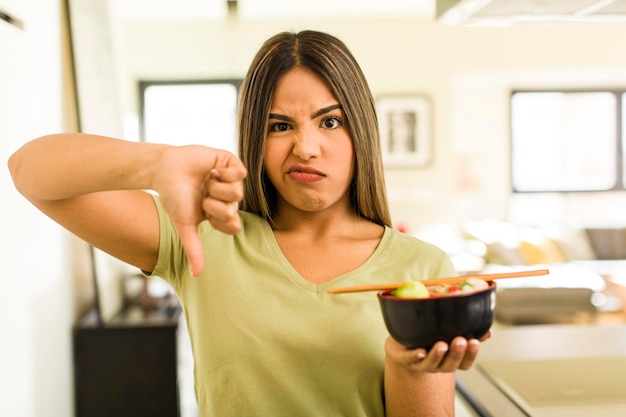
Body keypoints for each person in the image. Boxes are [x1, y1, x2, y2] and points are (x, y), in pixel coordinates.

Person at [8, 30, 488, 416]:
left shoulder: (425, 269)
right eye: (280, 126)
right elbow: (30, 170)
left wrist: (408, 369)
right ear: (254, 138)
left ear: (360, 130)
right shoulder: (204, 235)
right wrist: (156, 164)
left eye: (330, 121)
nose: (306, 147)